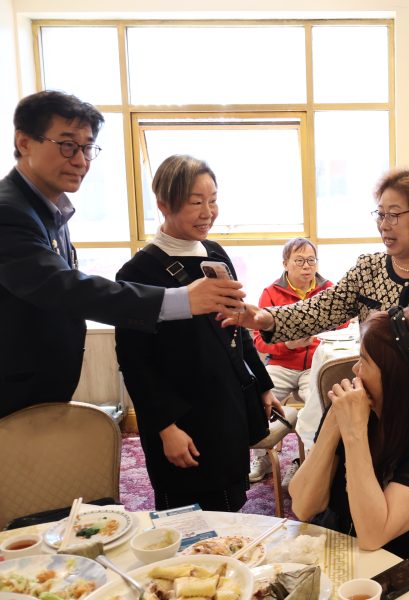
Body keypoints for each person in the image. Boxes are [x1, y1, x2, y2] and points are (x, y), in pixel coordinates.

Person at [0, 91, 244, 419]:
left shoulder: (48, 208)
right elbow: (64, 288)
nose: (80, 160)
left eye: (88, 148)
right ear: (25, 142)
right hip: (14, 396)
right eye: (68, 145)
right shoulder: (9, 212)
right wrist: (182, 300)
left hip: (41, 391)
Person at [230, 167, 409, 446]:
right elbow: (321, 309)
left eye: (394, 214)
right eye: (380, 213)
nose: (383, 224)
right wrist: (264, 318)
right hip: (374, 405)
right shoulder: (369, 268)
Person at [115, 155, 283, 511]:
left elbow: (237, 324)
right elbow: (135, 364)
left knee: (231, 503)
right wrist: (165, 427)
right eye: (196, 202)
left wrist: (263, 386)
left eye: (213, 200)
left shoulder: (214, 254)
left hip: (226, 405)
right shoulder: (137, 273)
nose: (208, 211)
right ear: (163, 204)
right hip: (183, 417)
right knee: (188, 515)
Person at [288, 307, 409, 587]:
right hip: (342, 556)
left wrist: (354, 434)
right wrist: (333, 425)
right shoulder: (358, 410)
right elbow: (303, 506)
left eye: (363, 361)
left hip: (408, 575)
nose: (354, 370)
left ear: (397, 376)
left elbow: (373, 534)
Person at [248, 237, 336, 482]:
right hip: (281, 363)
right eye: (299, 261)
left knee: (320, 404)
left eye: (311, 260)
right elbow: (259, 341)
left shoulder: (329, 290)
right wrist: (287, 345)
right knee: (256, 397)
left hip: (315, 365)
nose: (306, 266)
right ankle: (262, 458)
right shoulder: (271, 293)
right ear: (285, 263)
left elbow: (342, 328)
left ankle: (304, 462)